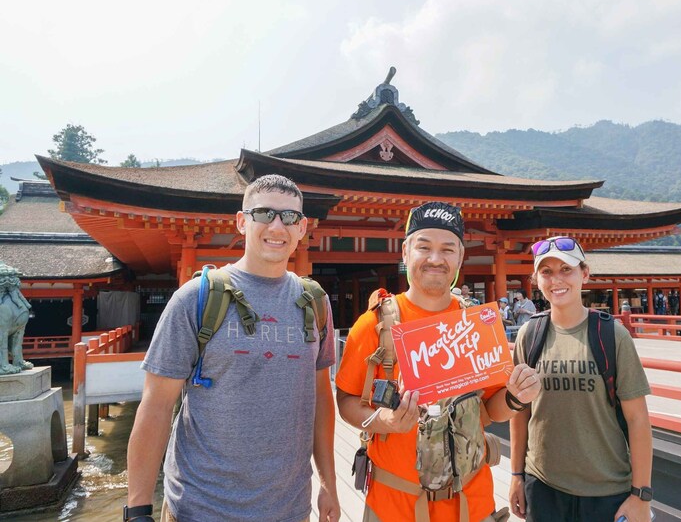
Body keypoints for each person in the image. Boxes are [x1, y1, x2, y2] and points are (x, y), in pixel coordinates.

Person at [126, 175, 340, 522]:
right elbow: (156, 405)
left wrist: (329, 483)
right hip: (200, 507)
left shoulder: (315, 303)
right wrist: (137, 510)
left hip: (289, 508)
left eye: (288, 217)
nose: (276, 226)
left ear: (301, 228)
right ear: (242, 222)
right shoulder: (195, 299)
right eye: (264, 214)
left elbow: (319, 397)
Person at [334, 201, 541, 522]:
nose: (435, 258)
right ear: (405, 253)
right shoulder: (374, 325)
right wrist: (383, 421)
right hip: (394, 504)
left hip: (471, 503)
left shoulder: (477, 325)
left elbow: (489, 409)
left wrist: (516, 396)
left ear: (460, 256)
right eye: (424, 247)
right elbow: (346, 400)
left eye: (447, 249)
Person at [509, 236, 653, 522]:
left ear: (584, 274)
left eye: (566, 270)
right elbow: (520, 411)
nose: (556, 280)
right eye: (546, 272)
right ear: (536, 279)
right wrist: (516, 476)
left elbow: (638, 419)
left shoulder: (612, 335)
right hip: (543, 485)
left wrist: (641, 495)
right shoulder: (530, 335)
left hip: (606, 489)